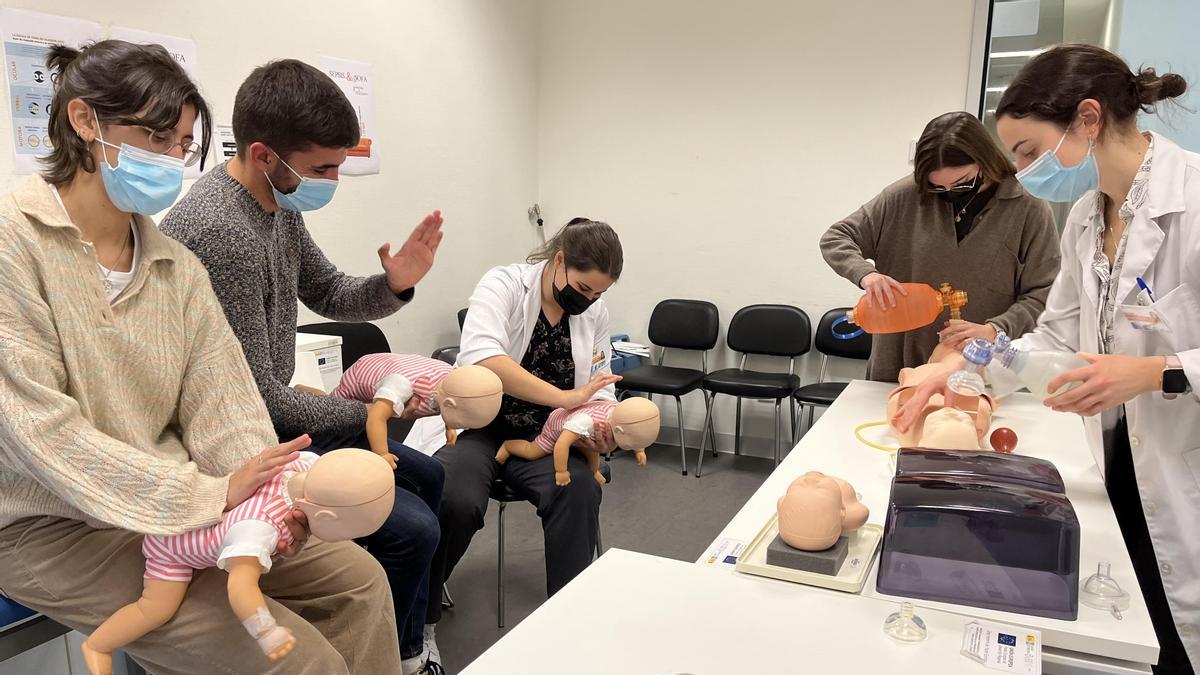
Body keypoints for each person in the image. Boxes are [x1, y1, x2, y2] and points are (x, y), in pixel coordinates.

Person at [0, 40, 400, 674]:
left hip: (183, 500)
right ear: (84, 121)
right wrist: (207, 497)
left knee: (358, 582)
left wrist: (273, 495)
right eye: (156, 138)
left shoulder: (173, 267)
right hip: (52, 521)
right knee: (299, 663)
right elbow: (39, 436)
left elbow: (225, 399)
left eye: (180, 145)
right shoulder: (13, 246)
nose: (169, 161)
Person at [894, 44, 1198, 674]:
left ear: (1088, 119)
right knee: (1138, 629)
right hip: (1117, 462)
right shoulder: (1086, 216)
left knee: (1177, 636)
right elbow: (1055, 339)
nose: (1025, 171)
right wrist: (965, 363)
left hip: (1184, 471)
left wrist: (1155, 371)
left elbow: (1149, 363)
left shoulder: (1194, 202)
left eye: (1030, 151)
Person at [160, 59, 443, 674]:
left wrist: (393, 286)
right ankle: (391, 652)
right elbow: (257, 398)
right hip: (237, 438)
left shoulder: (279, 202)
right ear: (264, 154)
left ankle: (413, 631)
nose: (333, 181)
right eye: (322, 168)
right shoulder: (218, 231)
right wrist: (373, 412)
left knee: (431, 477)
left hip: (275, 410)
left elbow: (332, 292)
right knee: (413, 528)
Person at [408, 218, 623, 650]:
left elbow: (599, 384)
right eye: (582, 289)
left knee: (578, 489)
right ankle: (421, 620)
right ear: (559, 260)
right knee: (454, 496)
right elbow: (483, 359)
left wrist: (605, 426)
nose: (589, 301)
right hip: (477, 427)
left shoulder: (593, 312)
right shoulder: (504, 285)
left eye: (598, 294)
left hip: (544, 436)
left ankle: (568, 613)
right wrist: (565, 397)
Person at [821, 111, 1061, 382]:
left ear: (985, 161)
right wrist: (866, 274)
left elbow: (1044, 291)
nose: (950, 193)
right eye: (939, 187)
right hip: (898, 368)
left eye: (962, 183)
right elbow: (836, 238)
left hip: (979, 372)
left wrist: (996, 329)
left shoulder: (1027, 207)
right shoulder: (905, 196)